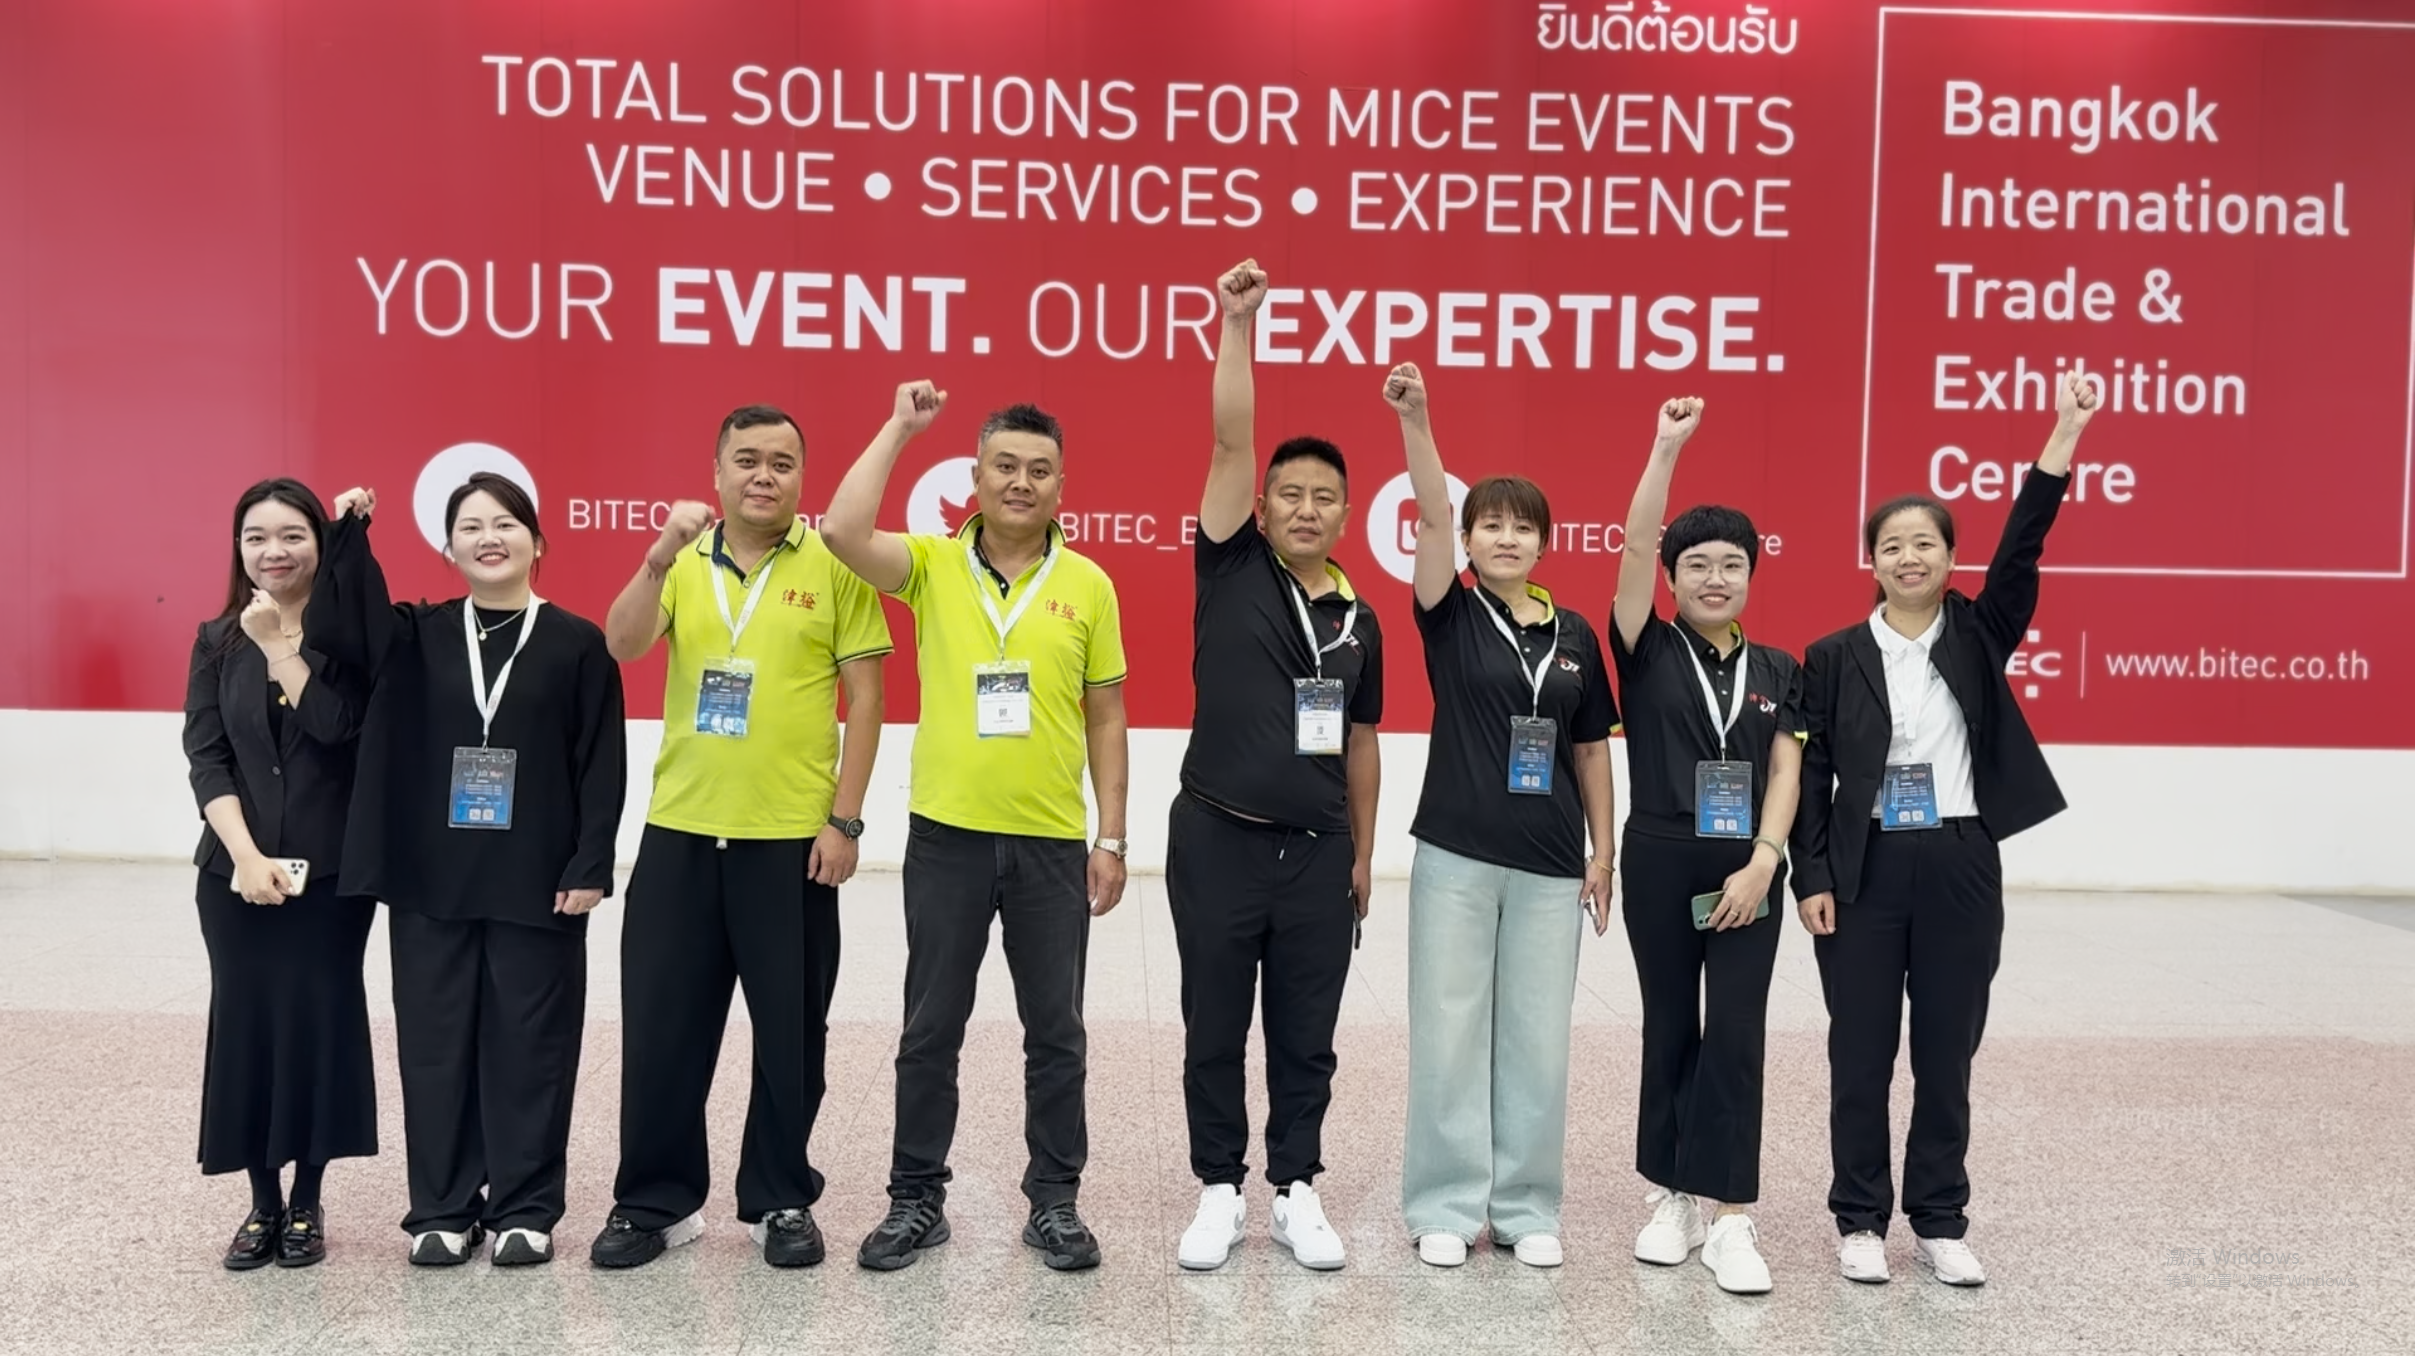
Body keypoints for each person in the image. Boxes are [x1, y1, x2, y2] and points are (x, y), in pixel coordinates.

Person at [1792, 372, 2097, 1288]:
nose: (1908, 557)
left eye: (1924, 543)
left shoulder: (1977, 632)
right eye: (1891, 545)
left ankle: (1938, 1219)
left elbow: (2023, 545)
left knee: (1945, 1052)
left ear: (1950, 556)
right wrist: (1813, 876)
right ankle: (1858, 1219)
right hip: (1864, 865)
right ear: (1871, 561)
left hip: (1961, 859)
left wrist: (2064, 432)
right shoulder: (1832, 656)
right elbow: (1808, 775)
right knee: (1859, 1050)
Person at [822, 381, 1130, 1273]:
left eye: (1039, 470)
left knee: (1056, 1034)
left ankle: (1055, 1202)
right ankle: (915, 1198)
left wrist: (1110, 836)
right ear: (976, 477)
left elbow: (1106, 715)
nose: (1020, 483)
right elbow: (841, 532)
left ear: (1061, 486)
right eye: (1004, 466)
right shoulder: (930, 565)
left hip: (1048, 843)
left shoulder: (1089, 585)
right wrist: (897, 427)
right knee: (930, 1030)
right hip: (946, 838)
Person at [589, 405, 891, 1272]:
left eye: (782, 463)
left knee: (791, 1035)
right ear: (717, 472)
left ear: (801, 476)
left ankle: (779, 1197)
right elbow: (622, 642)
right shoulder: (681, 560)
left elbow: (866, 699)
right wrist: (657, 555)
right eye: (748, 460)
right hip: (681, 833)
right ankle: (653, 1202)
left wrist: (844, 820)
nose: (765, 475)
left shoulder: (834, 566)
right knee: (662, 1031)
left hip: (791, 842)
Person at [308, 476, 627, 1269]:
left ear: (537, 541)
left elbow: (600, 761)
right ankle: (443, 1207)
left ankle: (525, 1207)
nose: (489, 538)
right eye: (471, 527)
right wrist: (348, 533)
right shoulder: (414, 634)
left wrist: (591, 861)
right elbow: (334, 625)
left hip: (538, 877)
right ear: (447, 548)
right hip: (431, 877)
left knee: (534, 1045)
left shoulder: (576, 642)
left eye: (506, 523)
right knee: (434, 1044)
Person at [1170, 261, 1382, 1275]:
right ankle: (1219, 1188)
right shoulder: (1230, 562)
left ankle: (1296, 1188)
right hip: (1216, 836)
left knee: (1307, 1031)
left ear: (1344, 514)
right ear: (1260, 506)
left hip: (1318, 852)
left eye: (1323, 498)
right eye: (1289, 494)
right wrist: (1236, 325)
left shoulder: (1360, 616)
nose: (1305, 508)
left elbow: (1361, 740)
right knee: (1214, 1023)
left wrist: (1361, 853)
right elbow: (1228, 438)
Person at [1385, 365, 1618, 1270]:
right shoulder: (1448, 613)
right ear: (1469, 538)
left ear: (1544, 543)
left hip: (1552, 862)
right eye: (1490, 524)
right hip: (1455, 855)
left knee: (1535, 1039)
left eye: (1522, 527)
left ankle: (1524, 1207)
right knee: (1448, 1032)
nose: (1506, 537)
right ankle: (1444, 1206)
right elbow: (1429, 514)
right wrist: (1418, 420)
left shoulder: (1575, 636)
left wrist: (1603, 852)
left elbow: (1590, 750)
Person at [1608, 398, 1804, 1295]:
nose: (1715, 578)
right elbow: (1632, 543)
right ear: (1671, 576)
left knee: (1733, 1029)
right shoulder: (1645, 647)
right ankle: (1671, 1196)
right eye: (1696, 565)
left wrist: (1764, 860)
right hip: (1659, 853)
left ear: (1751, 574)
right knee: (1668, 1023)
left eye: (1731, 564)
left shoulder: (1779, 670)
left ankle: (1730, 1216)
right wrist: (1664, 449)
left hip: (1747, 865)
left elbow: (1787, 770)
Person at [181, 479, 378, 1271]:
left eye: (292, 535)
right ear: (238, 547)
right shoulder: (214, 639)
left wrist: (279, 649)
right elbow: (206, 757)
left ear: (319, 544)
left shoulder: (349, 639)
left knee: (317, 1029)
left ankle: (308, 1201)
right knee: (249, 1030)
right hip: (234, 877)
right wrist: (245, 855)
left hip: (330, 879)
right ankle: (262, 1202)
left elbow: (339, 730)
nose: (274, 551)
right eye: (256, 537)